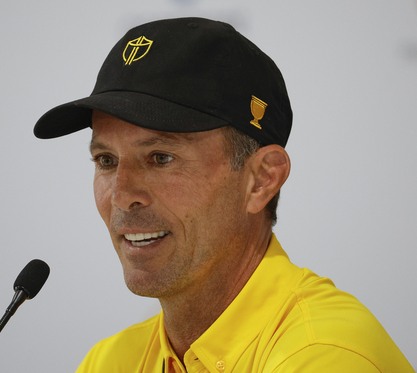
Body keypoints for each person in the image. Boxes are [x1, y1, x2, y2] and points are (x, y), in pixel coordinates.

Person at [34, 17, 414, 373]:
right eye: (105, 160)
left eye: (161, 157)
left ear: (262, 179)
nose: (121, 196)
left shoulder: (324, 355)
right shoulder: (110, 361)